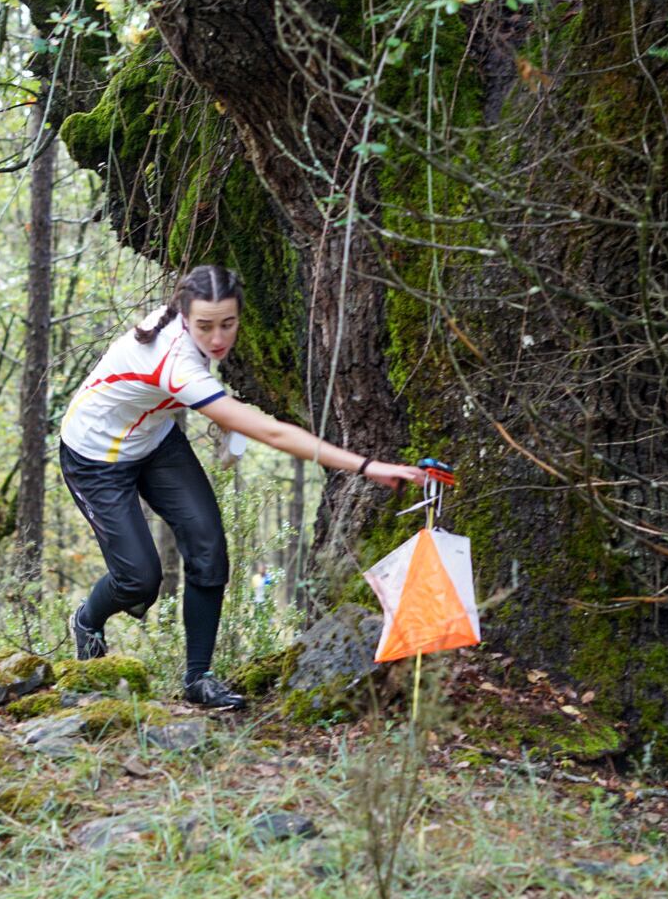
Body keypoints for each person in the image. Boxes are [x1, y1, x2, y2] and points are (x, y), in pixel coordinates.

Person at [59, 264, 427, 710]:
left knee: (209, 548)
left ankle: (199, 678)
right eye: (205, 326)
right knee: (139, 579)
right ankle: (87, 621)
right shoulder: (175, 363)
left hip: (153, 441)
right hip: (94, 456)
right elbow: (272, 434)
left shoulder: (189, 333)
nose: (217, 338)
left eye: (228, 325)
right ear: (183, 314)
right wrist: (366, 466)